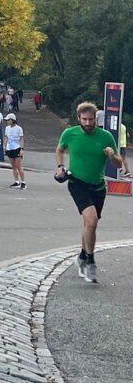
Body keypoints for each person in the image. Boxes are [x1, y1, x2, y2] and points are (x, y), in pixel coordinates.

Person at [56, 101, 123, 283]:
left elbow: (118, 164)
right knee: (91, 219)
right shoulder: (70, 133)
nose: (87, 123)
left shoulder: (105, 136)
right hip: (77, 182)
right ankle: (91, 262)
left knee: (90, 224)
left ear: (96, 119)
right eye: (84, 119)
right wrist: (61, 167)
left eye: (91, 119)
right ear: (78, 118)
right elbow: (60, 149)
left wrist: (112, 156)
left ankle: (83, 256)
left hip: (98, 186)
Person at [3, 112, 26, 189]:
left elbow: (22, 138)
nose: (7, 121)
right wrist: (4, 146)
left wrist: (22, 149)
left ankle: (23, 182)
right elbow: (6, 137)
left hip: (17, 148)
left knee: (18, 166)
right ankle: (17, 181)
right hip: (10, 148)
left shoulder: (19, 128)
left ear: (12, 120)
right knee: (13, 166)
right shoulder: (7, 128)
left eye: (8, 120)